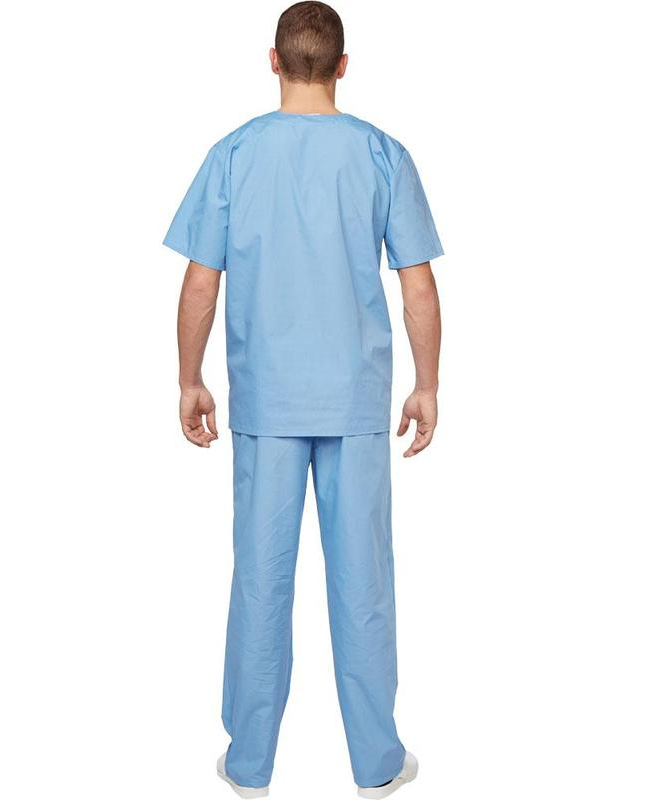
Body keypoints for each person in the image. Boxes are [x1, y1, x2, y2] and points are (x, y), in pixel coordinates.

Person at [163, 3, 443, 797]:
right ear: (343, 66)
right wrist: (426, 384)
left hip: (267, 402)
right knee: (364, 585)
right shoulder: (383, 154)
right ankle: (378, 764)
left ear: (274, 60)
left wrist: (189, 379)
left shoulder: (234, 154)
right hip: (354, 403)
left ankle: (249, 765)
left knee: (261, 580)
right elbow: (418, 285)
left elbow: (200, 283)